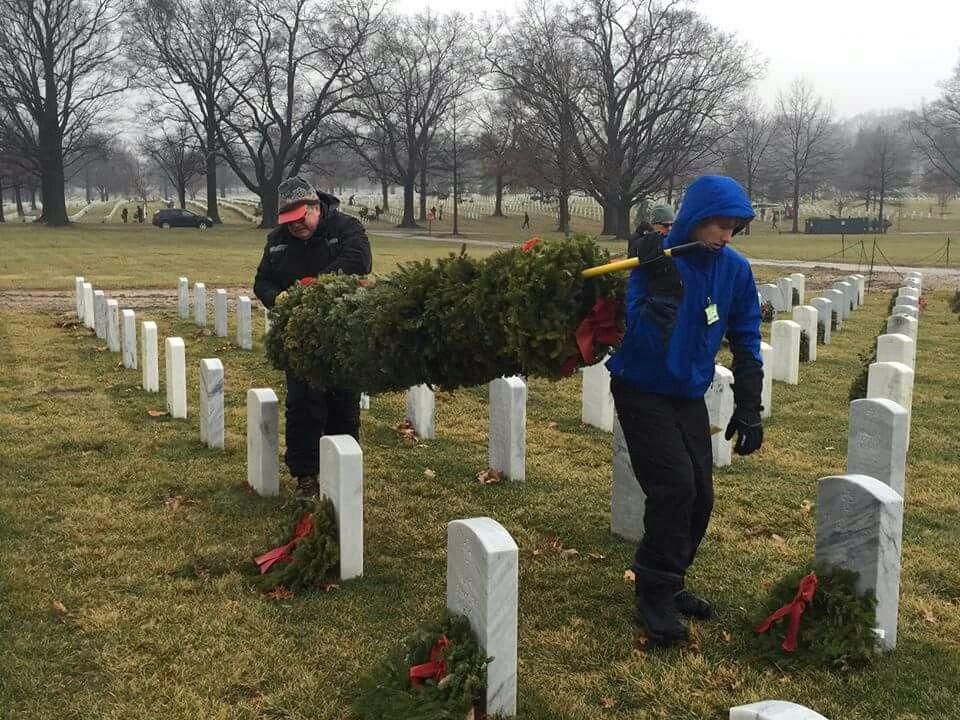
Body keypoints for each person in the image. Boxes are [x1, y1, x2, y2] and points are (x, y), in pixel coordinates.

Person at [606, 175, 763, 647]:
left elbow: (746, 334)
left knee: (701, 495)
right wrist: (660, 290)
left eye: (733, 227)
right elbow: (638, 329)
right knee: (673, 486)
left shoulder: (734, 269)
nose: (725, 236)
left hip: (688, 393)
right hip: (640, 387)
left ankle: (670, 580)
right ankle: (652, 592)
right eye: (718, 225)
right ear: (695, 218)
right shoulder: (654, 262)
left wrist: (750, 404)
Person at [253, 176, 372, 497]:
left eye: (300, 219)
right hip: (300, 336)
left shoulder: (347, 228)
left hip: (343, 331)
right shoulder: (277, 241)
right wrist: (277, 298)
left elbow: (358, 262)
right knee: (303, 405)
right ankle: (306, 476)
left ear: (315, 207)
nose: (295, 227)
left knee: (342, 403)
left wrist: (312, 288)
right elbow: (262, 281)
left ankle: (341, 470)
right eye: (288, 222)